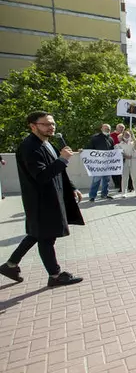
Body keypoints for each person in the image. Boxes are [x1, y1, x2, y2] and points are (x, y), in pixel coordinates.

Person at [0, 111, 83, 287]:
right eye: (46, 124)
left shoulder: (46, 144)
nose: (51, 127)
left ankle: (10, 265)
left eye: (52, 123)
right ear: (33, 126)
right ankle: (55, 276)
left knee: (36, 234)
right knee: (46, 238)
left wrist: (73, 187)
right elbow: (41, 176)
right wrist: (63, 160)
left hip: (51, 197)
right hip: (40, 201)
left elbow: (58, 170)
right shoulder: (29, 147)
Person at [86, 123, 115, 202]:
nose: (107, 129)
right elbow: (89, 149)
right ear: (101, 129)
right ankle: (92, 196)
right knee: (96, 180)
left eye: (108, 128)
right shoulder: (95, 138)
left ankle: (104, 194)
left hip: (108, 163)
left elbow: (113, 151)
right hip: (98, 163)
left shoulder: (111, 139)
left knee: (107, 180)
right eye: (105, 128)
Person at [115, 130, 136, 198]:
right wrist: (125, 156)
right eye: (126, 134)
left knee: (135, 177)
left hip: (133, 160)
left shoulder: (132, 143)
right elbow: (119, 153)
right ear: (123, 136)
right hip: (125, 161)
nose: (127, 136)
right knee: (124, 177)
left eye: (128, 135)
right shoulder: (119, 145)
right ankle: (124, 192)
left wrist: (133, 135)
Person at [110, 123, 125, 192]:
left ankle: (123, 186)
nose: (122, 129)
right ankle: (117, 184)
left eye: (123, 128)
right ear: (117, 128)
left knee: (123, 171)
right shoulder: (111, 135)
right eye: (120, 128)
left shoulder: (125, 135)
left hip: (123, 155)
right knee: (114, 171)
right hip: (114, 155)